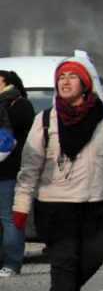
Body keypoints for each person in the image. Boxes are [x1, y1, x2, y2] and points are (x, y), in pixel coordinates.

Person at [14, 57, 103, 289]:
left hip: (94, 203)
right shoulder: (46, 119)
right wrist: (21, 206)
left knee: (96, 254)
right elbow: (29, 167)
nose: (65, 81)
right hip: (55, 205)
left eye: (72, 76)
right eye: (61, 77)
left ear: (85, 84)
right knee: (65, 262)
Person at [0, 71, 33, 278]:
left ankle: (12, 262)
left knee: (9, 217)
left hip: (9, 170)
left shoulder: (20, 105)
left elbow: (19, 134)